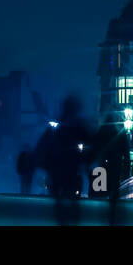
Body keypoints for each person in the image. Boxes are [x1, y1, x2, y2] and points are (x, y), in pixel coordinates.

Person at [36, 95, 91, 225]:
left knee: (60, 202)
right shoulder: (77, 127)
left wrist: (45, 165)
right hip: (70, 170)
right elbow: (90, 145)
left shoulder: (57, 127)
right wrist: (85, 162)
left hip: (57, 171)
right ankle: (70, 220)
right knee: (71, 200)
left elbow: (42, 147)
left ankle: (63, 220)